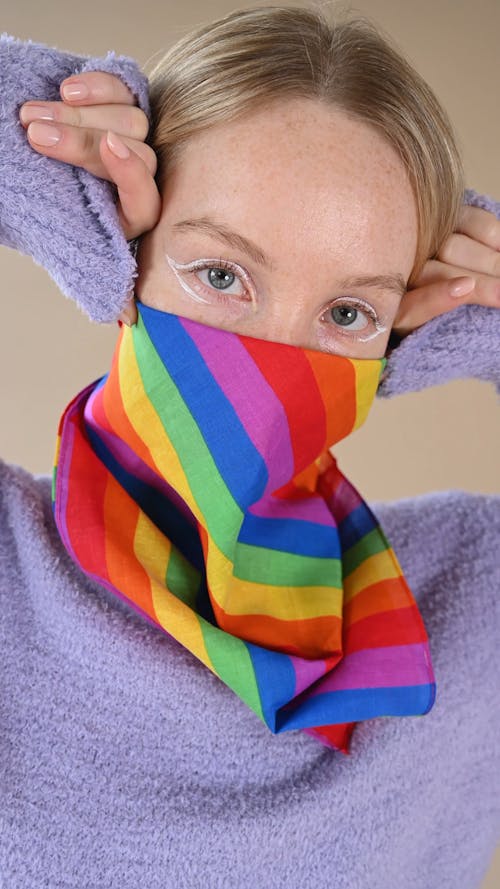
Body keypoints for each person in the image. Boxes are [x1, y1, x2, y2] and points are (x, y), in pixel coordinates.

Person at [1, 5, 499, 888]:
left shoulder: (466, 602)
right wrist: (34, 130)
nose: (275, 368)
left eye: (348, 313)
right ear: (123, 255)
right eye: (222, 274)